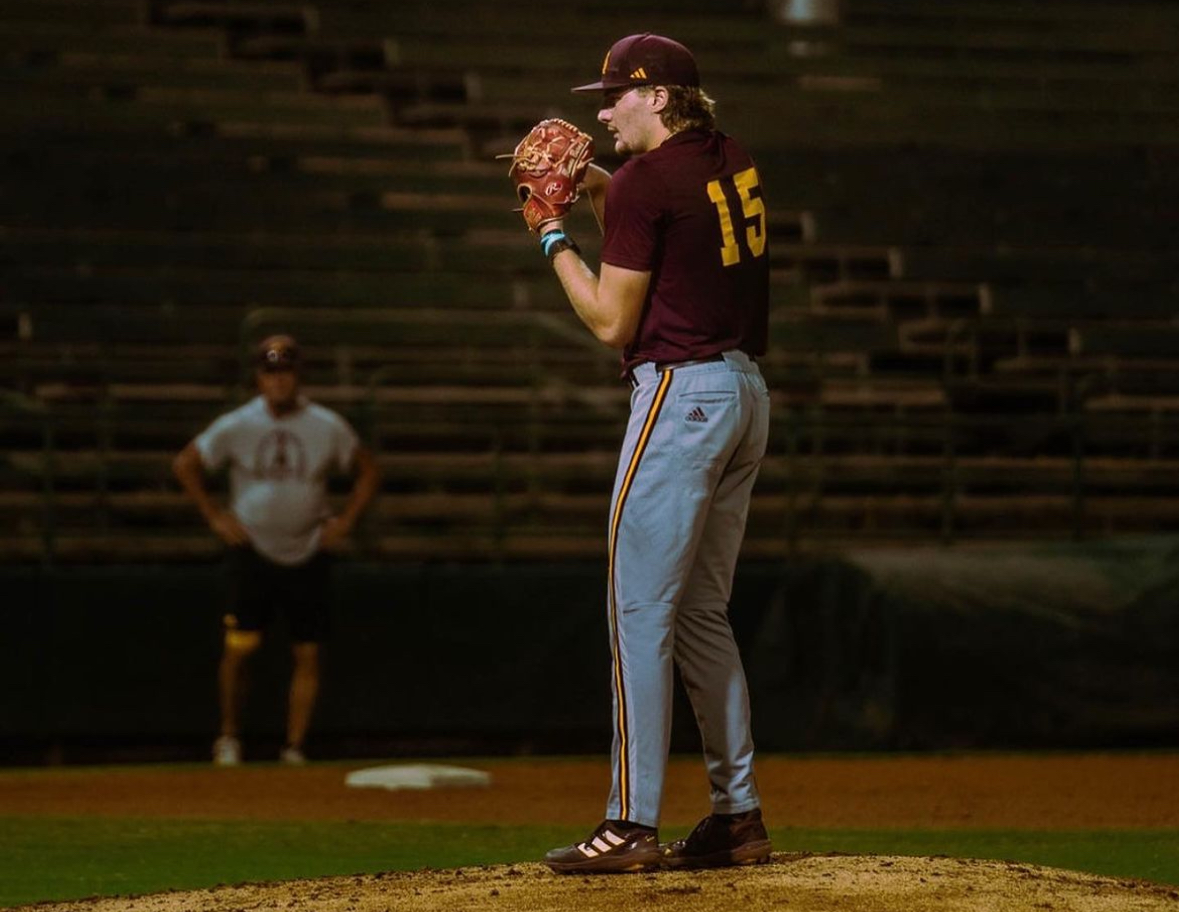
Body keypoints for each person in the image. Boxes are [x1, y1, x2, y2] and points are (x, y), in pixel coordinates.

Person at [527, 34, 773, 872]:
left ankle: (629, 822)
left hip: (680, 397)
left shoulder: (643, 181)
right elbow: (663, 238)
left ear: (659, 97)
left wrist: (550, 230)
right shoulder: (725, 155)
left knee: (638, 613)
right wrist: (598, 184)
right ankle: (737, 816)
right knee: (704, 613)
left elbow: (610, 322)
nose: (600, 110)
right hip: (743, 394)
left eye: (615, 96)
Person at [173, 334, 380, 766]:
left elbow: (368, 470)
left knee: (307, 650)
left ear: (297, 375)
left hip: (308, 548)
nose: (279, 381)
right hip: (252, 549)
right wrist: (215, 516)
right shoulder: (238, 423)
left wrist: (346, 521)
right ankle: (229, 736)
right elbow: (186, 463)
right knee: (240, 647)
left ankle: (295, 745)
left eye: (285, 371)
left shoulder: (325, 424)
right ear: (258, 377)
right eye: (271, 372)